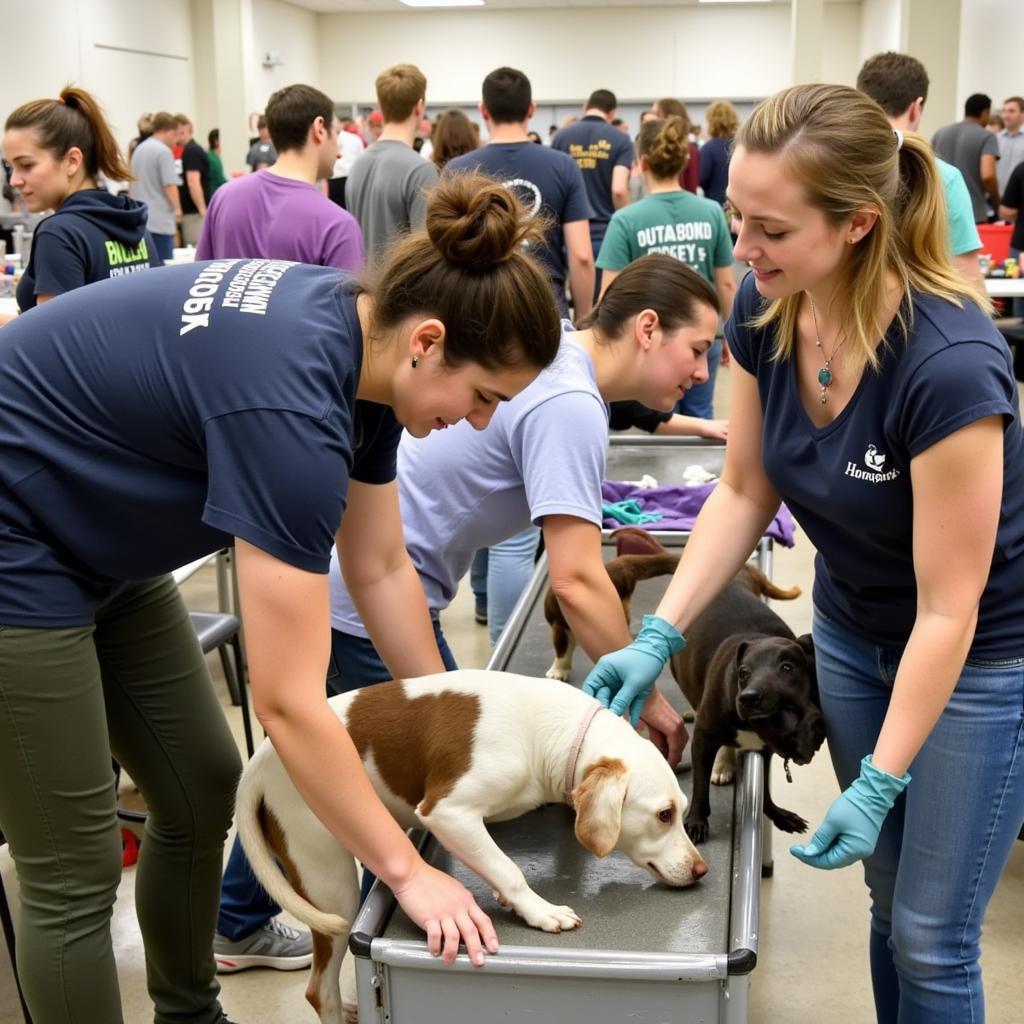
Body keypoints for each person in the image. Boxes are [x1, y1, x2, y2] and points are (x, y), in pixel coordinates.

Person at [0, 172, 562, 1024]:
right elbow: (288, 703)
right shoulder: (292, 404)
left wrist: (465, 725)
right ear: (429, 340)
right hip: (17, 541)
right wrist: (408, 871)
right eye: (482, 396)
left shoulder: (364, 348)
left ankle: (191, 1013)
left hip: (99, 536)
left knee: (200, 785)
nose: (482, 422)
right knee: (73, 864)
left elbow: (379, 568)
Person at [583, 83, 1024, 1024]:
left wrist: (877, 779)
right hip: (854, 635)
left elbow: (952, 608)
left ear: (859, 223)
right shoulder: (765, 310)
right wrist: (660, 637)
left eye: (769, 230)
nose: (742, 247)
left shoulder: (948, 365)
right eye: (738, 216)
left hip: (979, 657)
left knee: (933, 940)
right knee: (884, 904)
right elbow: (745, 488)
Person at [328, 253, 717, 756]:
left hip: (375, 594)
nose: (706, 373)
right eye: (698, 350)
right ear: (647, 328)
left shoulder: (553, 354)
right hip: (366, 608)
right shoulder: (569, 399)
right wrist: (649, 700)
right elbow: (575, 581)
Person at [200, 83, 362, 972]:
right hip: (299, 447)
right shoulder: (334, 228)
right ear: (321, 132)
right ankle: (241, 914)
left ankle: (237, 916)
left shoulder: (228, 198)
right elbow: (342, 350)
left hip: (228, 439)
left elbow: (208, 299)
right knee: (304, 699)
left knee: (286, 692)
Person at [597, 115, 735, 422]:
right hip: (702, 338)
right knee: (701, 417)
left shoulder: (626, 220)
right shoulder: (711, 212)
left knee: (658, 419)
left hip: (652, 345)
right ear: (684, 162)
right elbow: (726, 283)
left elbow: (609, 296)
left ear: (641, 163)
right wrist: (730, 335)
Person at [2, 86, 162, 322]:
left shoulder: (59, 233)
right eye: (9, 167)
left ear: (72, 161)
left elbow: (53, 340)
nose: (14, 180)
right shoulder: (132, 221)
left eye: (26, 165)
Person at [448, 66, 594, 320]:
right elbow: (581, 256)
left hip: (478, 310)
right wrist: (582, 323)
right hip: (545, 309)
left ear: (483, 110)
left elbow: (447, 254)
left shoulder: (457, 170)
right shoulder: (563, 166)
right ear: (531, 109)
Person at [197, 84, 363, 273]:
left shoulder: (224, 198)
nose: (339, 152)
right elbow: (349, 301)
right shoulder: (337, 225)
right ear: (319, 129)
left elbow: (200, 279)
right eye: (336, 133)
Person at [856, 51, 984, 284]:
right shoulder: (944, 178)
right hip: (917, 313)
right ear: (917, 106)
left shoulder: (837, 165)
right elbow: (968, 278)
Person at [345, 64, 439, 262]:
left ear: (380, 107)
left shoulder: (358, 164)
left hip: (362, 288)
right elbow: (426, 255)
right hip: (401, 290)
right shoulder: (421, 171)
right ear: (419, 106)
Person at [551, 88, 635, 295]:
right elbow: (619, 190)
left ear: (585, 106)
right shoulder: (621, 139)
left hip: (569, 238)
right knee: (605, 305)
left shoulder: (561, 137)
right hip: (607, 238)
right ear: (612, 113)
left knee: (576, 306)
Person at [932, 93, 1001, 223]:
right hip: (973, 213)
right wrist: (998, 203)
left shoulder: (940, 133)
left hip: (940, 210)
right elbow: (988, 176)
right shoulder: (987, 137)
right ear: (985, 112)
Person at [129, 110, 182, 260]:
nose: (175, 140)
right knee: (163, 269)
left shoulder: (139, 149)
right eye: (174, 134)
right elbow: (170, 185)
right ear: (166, 131)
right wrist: (178, 210)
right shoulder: (164, 151)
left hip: (140, 221)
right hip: (160, 222)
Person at [651, 97, 699, 193]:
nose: (652, 119)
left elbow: (691, 185)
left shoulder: (688, 147)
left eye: (656, 114)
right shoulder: (654, 145)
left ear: (668, 117)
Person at [177, 114, 210, 246]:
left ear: (187, 128)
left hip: (195, 213)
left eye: (179, 131)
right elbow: (192, 182)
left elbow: (193, 182)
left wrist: (202, 210)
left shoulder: (192, 151)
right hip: (192, 211)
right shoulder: (189, 150)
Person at [699, 99, 739, 206]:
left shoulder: (708, 149)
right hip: (739, 206)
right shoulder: (741, 146)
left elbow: (702, 178)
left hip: (716, 205)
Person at [996, 96, 1024, 195]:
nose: (1006, 115)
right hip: (997, 196)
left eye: (1011, 111)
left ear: (1022, 114)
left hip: (1020, 198)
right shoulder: (996, 139)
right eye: (1004, 111)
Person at [206, 128, 228, 195]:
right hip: (214, 194)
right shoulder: (212, 159)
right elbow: (220, 180)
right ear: (216, 141)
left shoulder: (212, 156)